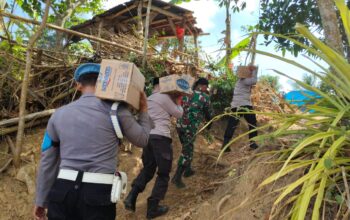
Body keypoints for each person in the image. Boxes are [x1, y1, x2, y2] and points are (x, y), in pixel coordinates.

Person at [33, 63, 153, 220]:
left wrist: (41, 200)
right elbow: (143, 140)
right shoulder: (117, 111)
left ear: (78, 85)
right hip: (98, 193)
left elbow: (47, 161)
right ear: (104, 83)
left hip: (63, 192)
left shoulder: (58, 115)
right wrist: (143, 110)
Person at [123, 77, 183, 219]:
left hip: (147, 138)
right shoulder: (164, 97)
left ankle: (131, 197)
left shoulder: (148, 98)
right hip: (161, 138)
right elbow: (179, 114)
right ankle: (153, 208)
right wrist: (178, 100)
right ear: (162, 86)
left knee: (148, 169)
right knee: (163, 173)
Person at [172, 78, 213, 189]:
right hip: (190, 128)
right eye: (206, 87)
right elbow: (209, 114)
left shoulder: (186, 93)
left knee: (187, 147)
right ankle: (177, 177)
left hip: (179, 125)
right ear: (203, 86)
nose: (206, 89)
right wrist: (209, 126)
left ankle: (188, 170)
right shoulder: (204, 97)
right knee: (187, 152)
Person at [222, 66, 259, 152]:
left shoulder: (239, 81)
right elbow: (254, 80)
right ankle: (252, 143)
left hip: (236, 105)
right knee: (252, 123)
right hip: (244, 105)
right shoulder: (245, 81)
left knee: (231, 125)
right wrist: (254, 70)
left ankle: (225, 145)